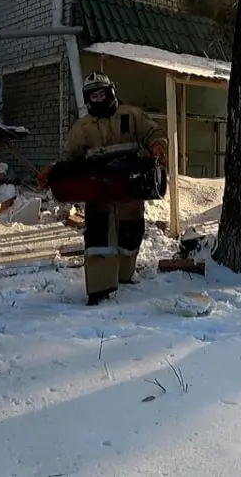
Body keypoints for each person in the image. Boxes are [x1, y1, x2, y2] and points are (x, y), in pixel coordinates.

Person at [42, 72, 167, 306]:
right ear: (88, 99)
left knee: (131, 234)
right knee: (98, 237)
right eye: (94, 96)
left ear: (110, 92)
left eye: (102, 94)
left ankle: (124, 275)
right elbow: (69, 157)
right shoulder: (83, 127)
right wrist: (53, 171)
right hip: (98, 190)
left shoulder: (131, 115)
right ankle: (100, 289)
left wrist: (158, 146)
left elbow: (153, 133)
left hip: (130, 186)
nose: (98, 99)